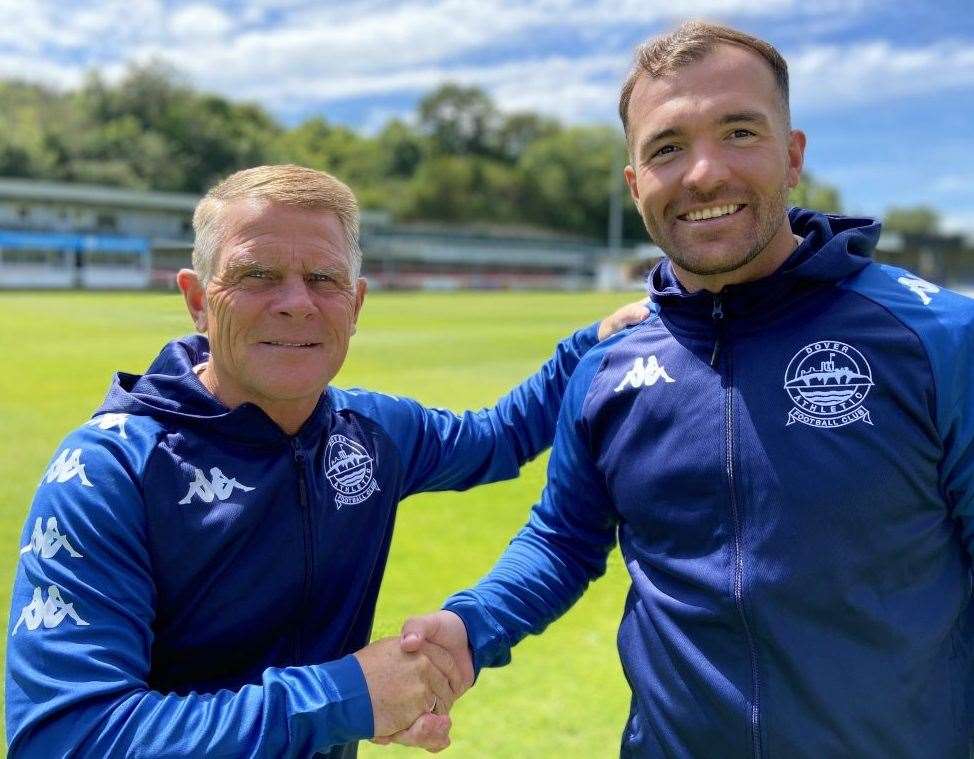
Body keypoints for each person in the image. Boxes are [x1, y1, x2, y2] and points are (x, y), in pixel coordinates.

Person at [402, 20, 974, 757]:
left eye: (739, 132)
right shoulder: (608, 366)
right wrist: (469, 625)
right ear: (636, 183)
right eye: (668, 147)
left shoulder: (939, 339)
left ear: (792, 156)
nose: (704, 173)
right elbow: (563, 539)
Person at [5, 164, 647, 757]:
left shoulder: (373, 432)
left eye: (323, 279)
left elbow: (498, 438)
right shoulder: (108, 470)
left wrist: (589, 345)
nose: (296, 302)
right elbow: (66, 736)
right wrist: (343, 698)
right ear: (198, 300)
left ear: (356, 303)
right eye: (256, 275)